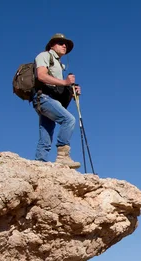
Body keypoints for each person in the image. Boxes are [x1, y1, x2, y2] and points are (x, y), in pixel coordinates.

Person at [32, 33, 82, 169]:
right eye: (60, 43)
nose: (64, 45)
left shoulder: (59, 64)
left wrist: (71, 91)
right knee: (69, 120)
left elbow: (58, 87)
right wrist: (65, 82)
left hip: (49, 99)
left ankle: (39, 164)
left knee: (46, 133)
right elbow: (41, 75)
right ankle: (62, 156)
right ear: (52, 45)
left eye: (65, 44)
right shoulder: (44, 56)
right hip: (43, 98)